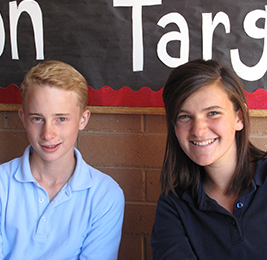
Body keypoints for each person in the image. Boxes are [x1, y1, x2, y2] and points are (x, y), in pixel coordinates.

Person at [0, 60, 124, 259]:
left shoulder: (105, 194)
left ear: (83, 120)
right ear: (23, 118)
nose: (48, 134)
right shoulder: (2, 184)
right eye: (37, 119)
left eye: (61, 119)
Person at [150, 59, 267, 259]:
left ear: (239, 118)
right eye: (185, 116)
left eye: (212, 113)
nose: (198, 130)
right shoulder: (173, 206)